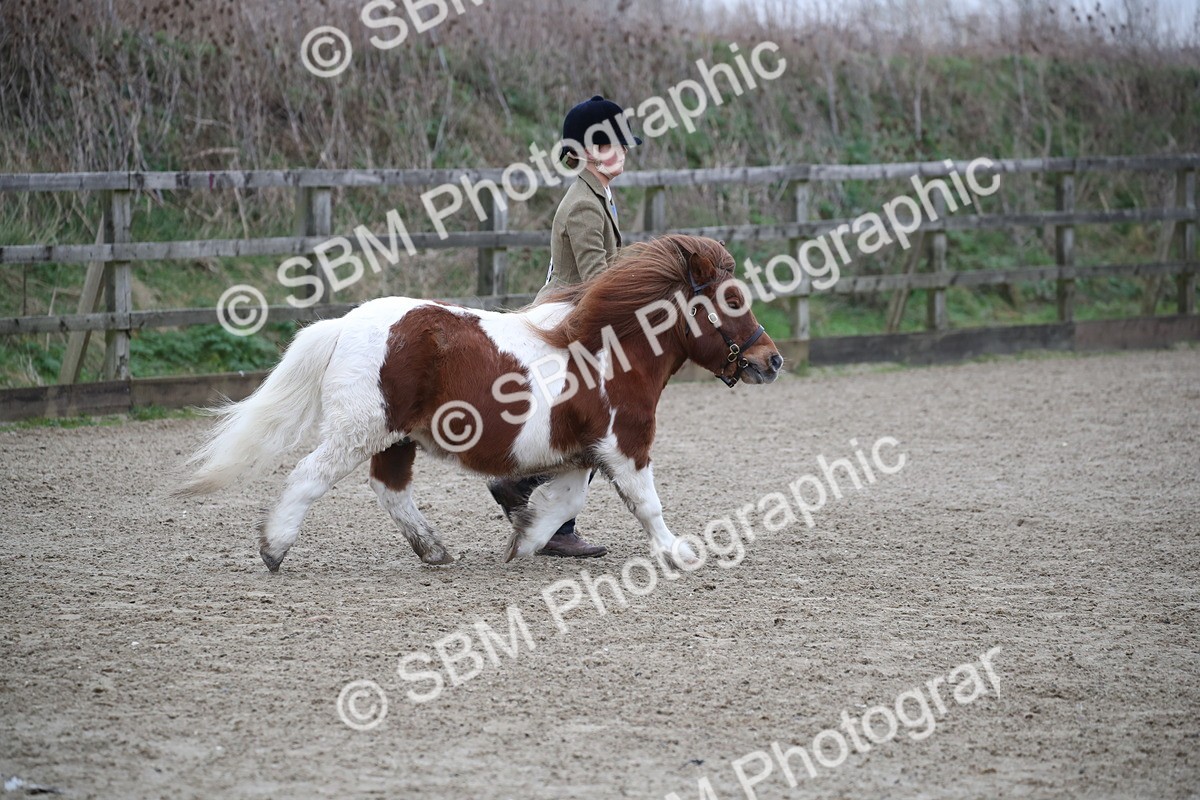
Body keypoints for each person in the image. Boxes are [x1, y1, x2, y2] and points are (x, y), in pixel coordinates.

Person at [487, 95, 641, 558]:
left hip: (575, 314)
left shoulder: (598, 197)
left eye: (623, 144)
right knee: (590, 420)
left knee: (587, 423)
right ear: (590, 150)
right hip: (569, 319)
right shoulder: (584, 206)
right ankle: (539, 504)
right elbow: (599, 281)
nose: (623, 152)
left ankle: (530, 492)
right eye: (612, 144)